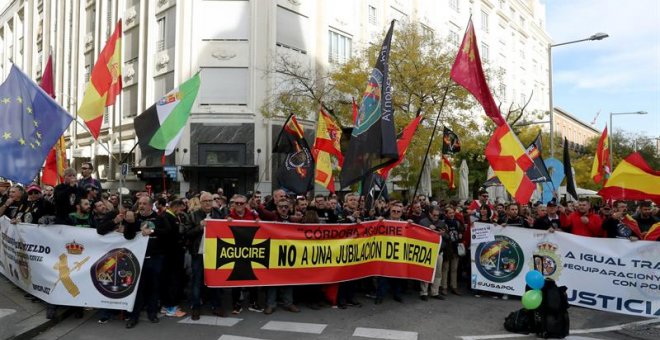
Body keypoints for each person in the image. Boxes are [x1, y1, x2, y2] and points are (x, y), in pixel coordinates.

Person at [123, 196, 174, 329]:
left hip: (155, 258)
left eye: (144, 203)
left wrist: (152, 231)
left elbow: (168, 232)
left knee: (154, 286)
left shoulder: (159, 218)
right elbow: (128, 236)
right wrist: (129, 223)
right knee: (137, 288)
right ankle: (133, 316)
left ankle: (152, 313)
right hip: (137, 259)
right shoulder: (135, 218)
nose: (141, 206)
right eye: (139, 203)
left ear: (151, 206)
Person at [186, 192, 227, 320]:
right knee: (197, 280)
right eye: (205, 201)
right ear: (200, 202)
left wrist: (228, 221)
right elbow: (187, 234)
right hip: (198, 253)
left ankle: (217, 306)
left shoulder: (219, 214)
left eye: (210, 200)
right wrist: (200, 226)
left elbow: (226, 228)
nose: (208, 203)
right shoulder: (193, 215)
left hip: (215, 253)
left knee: (215, 280)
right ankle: (196, 307)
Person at [418, 206, 445, 301]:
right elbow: (418, 233)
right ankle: (424, 292)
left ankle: (435, 292)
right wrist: (427, 228)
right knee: (426, 272)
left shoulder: (441, 223)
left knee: (438, 273)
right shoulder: (423, 222)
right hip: (427, 251)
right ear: (429, 213)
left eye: (438, 215)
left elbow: (447, 236)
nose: (436, 217)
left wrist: (443, 234)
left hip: (438, 252)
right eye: (434, 215)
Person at [441, 207, 465, 297]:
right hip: (447, 249)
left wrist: (461, 234)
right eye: (450, 213)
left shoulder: (457, 222)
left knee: (454, 269)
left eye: (453, 213)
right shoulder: (443, 222)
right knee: (445, 268)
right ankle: (444, 287)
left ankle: (454, 286)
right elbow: (443, 235)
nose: (452, 214)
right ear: (446, 213)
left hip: (456, 248)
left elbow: (462, 230)